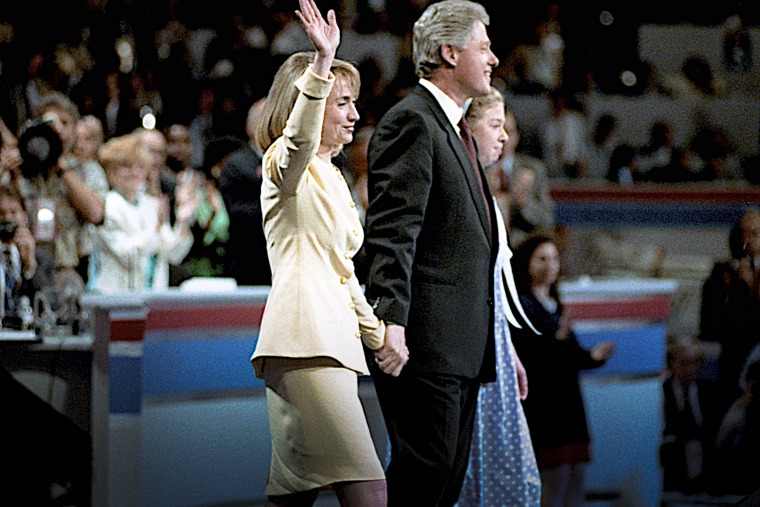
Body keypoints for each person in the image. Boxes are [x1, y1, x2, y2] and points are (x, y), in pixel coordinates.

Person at [249, 1, 395, 505]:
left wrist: (376, 336)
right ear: (307, 102)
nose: (355, 113)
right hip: (304, 342)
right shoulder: (283, 163)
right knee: (369, 487)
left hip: (327, 342)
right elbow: (297, 141)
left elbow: (341, 270)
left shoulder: (331, 176)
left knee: (293, 496)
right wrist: (321, 64)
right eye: (343, 102)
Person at [362, 1, 499, 504]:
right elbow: (394, 233)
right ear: (449, 52)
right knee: (426, 476)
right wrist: (391, 320)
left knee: (444, 482)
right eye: (483, 47)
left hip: (459, 345)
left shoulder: (455, 129)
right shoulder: (412, 123)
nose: (494, 59)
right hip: (424, 342)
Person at [457, 87, 542, 507]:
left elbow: (492, 287)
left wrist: (507, 350)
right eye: (495, 126)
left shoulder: (486, 195)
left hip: (493, 353)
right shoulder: (461, 190)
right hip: (467, 356)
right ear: (466, 130)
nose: (504, 137)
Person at [510, 232, 615, 507]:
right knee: (554, 482)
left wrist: (594, 356)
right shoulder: (523, 306)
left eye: (555, 259)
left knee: (576, 476)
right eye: (542, 259)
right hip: (546, 405)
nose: (550, 265)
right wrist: (558, 339)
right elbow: (532, 356)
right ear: (527, 263)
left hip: (569, 404)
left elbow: (570, 353)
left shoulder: (556, 305)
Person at [16, 92, 108, 313]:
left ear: (75, 129)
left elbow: (96, 213)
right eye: (50, 121)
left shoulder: (87, 170)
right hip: (22, 267)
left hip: (66, 269)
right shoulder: (21, 168)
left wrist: (61, 166)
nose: (57, 129)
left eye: (65, 123)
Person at [90, 132, 194, 292]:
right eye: (127, 166)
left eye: (140, 166)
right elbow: (127, 255)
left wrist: (182, 221)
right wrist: (156, 231)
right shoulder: (107, 205)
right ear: (110, 172)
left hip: (154, 296)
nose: (134, 172)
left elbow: (173, 254)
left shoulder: (151, 204)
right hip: (115, 296)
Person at [700, 207, 760, 416]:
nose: (750, 240)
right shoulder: (725, 272)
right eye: (746, 233)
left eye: (756, 233)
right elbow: (711, 323)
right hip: (735, 353)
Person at [218, 98, 271, 286]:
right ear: (253, 126)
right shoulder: (236, 165)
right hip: (249, 261)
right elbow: (236, 213)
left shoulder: (287, 161)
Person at [660, 338, 721, 495]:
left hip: (707, 477)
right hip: (670, 475)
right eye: (684, 363)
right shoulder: (660, 394)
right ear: (672, 363)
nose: (690, 369)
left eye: (695, 363)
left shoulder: (711, 393)